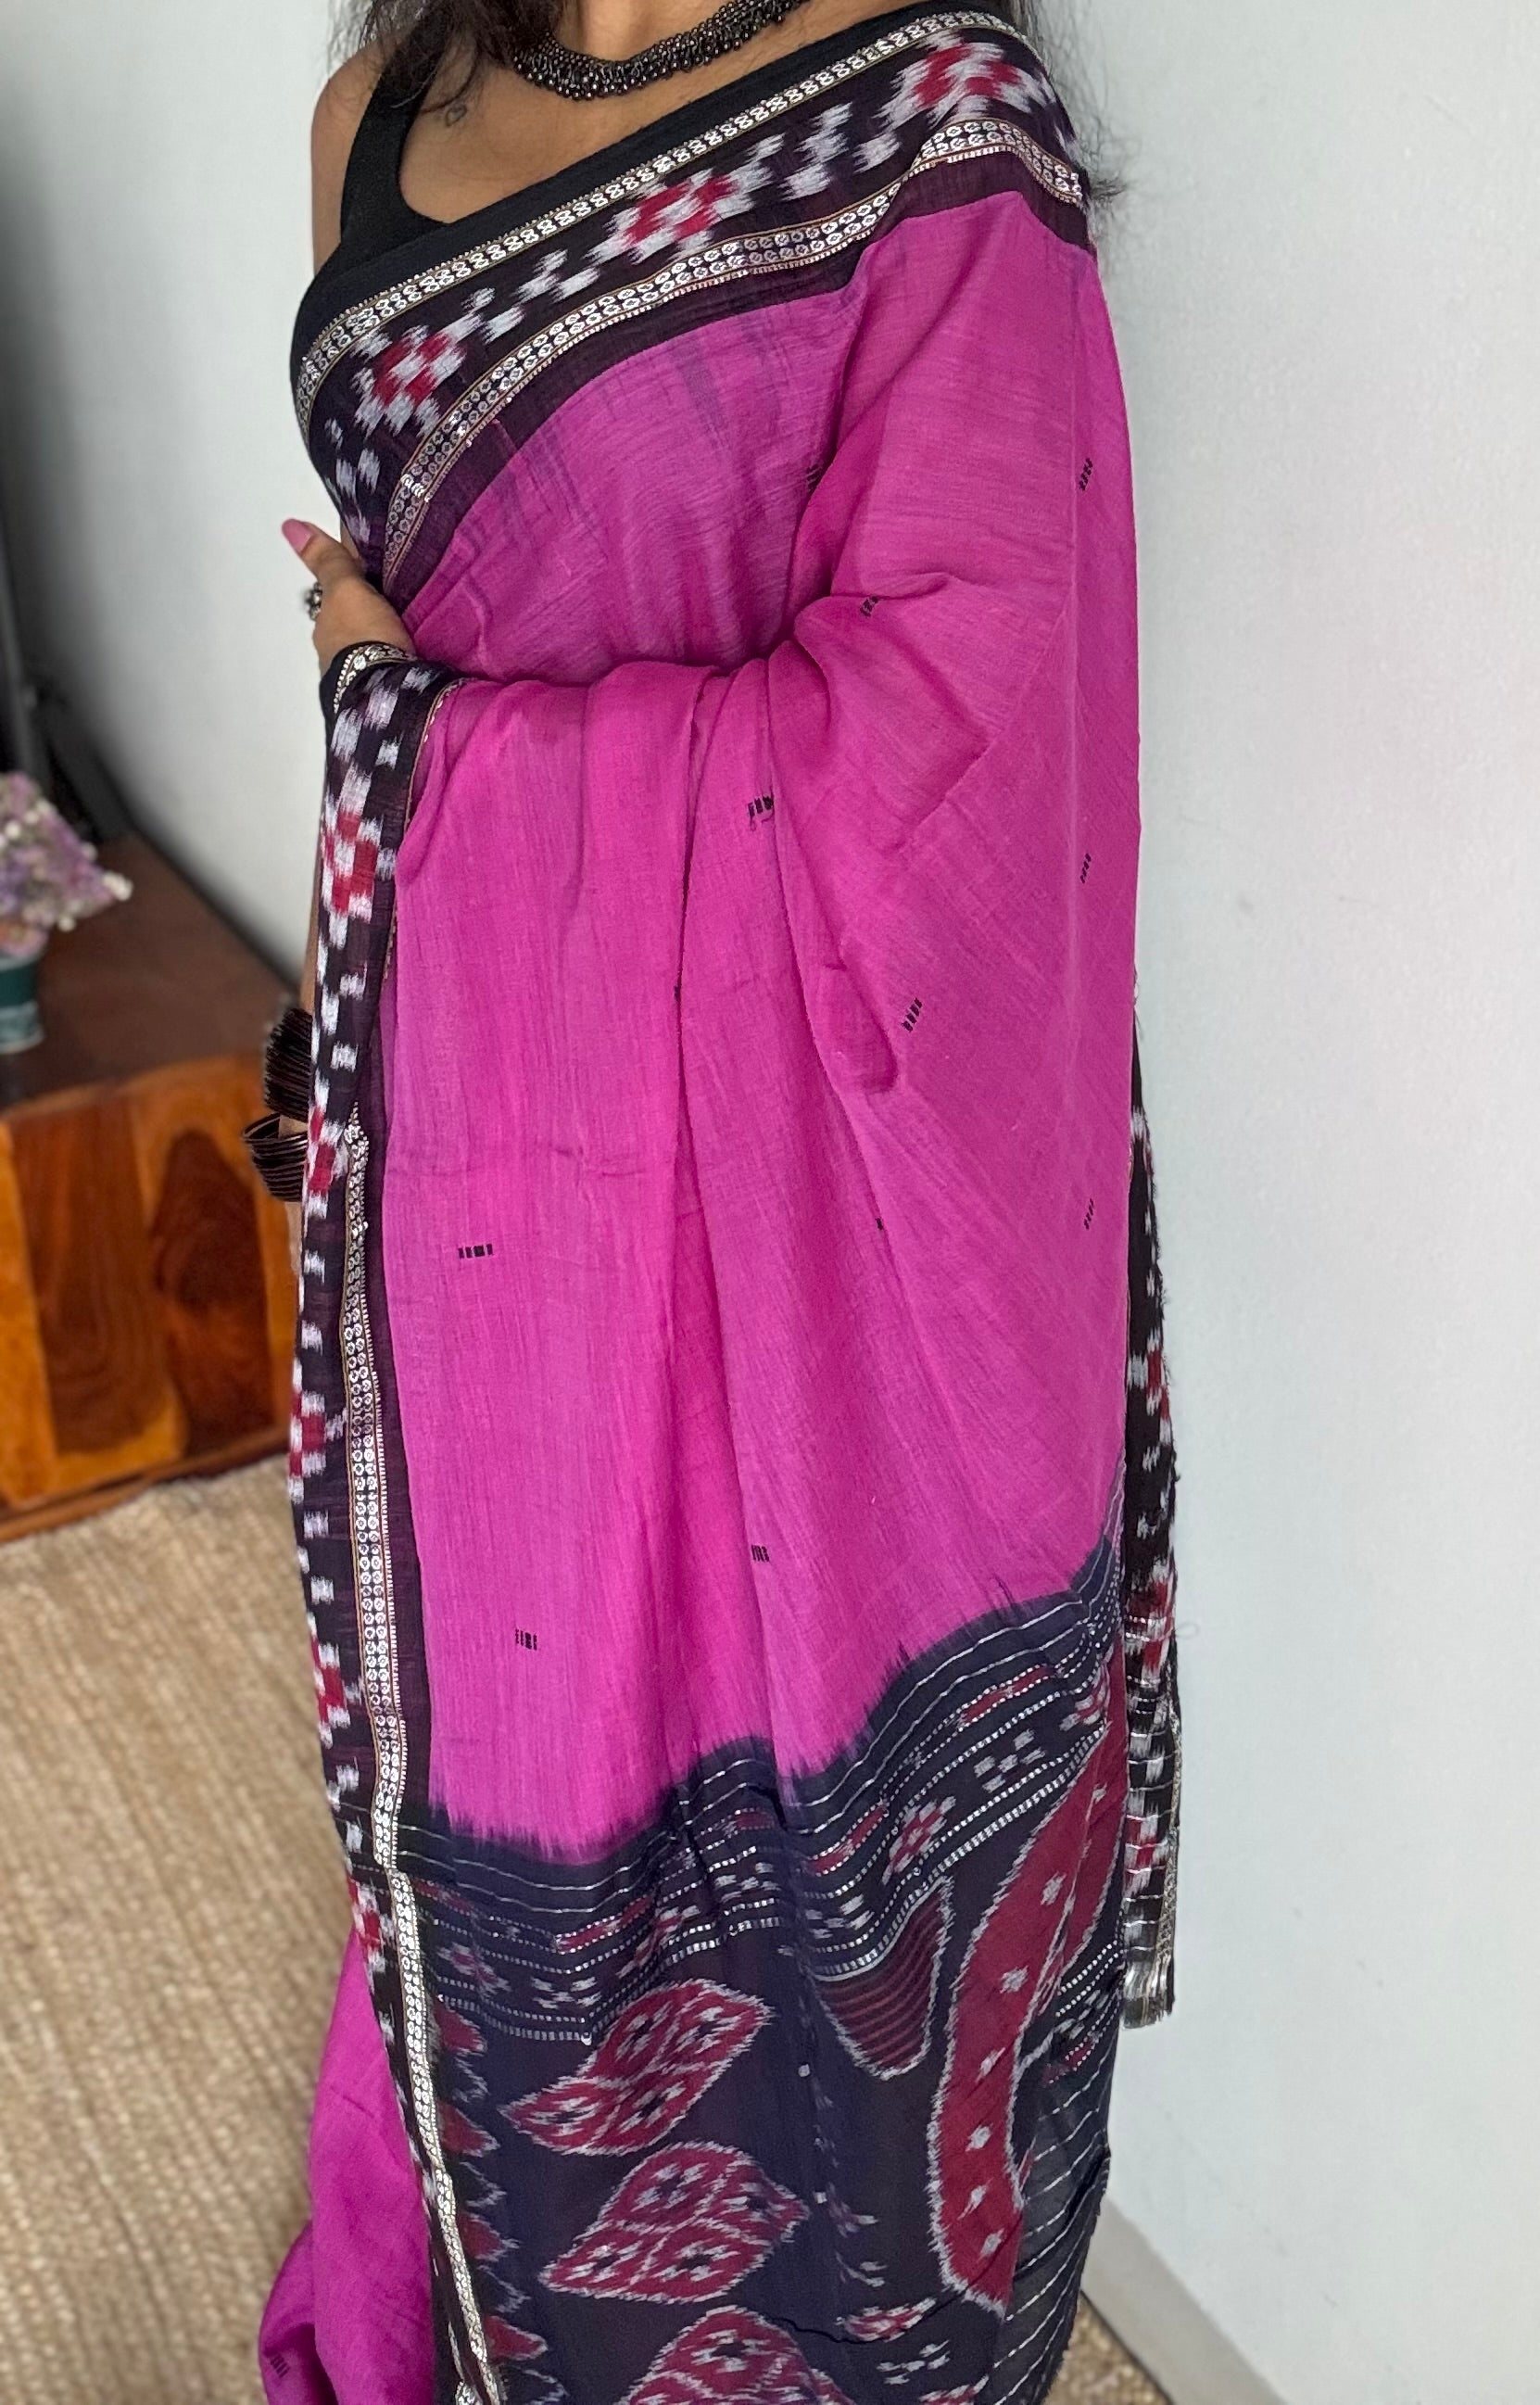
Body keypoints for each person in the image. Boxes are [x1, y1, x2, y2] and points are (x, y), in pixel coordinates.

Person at [251, 1, 1181, 2398]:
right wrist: (415, 791)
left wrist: (424, 748)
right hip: (502, 1178)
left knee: (849, 1961)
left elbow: (965, 767)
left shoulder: (933, 136)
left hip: (844, 1246)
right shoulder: (375, 116)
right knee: (499, 1770)